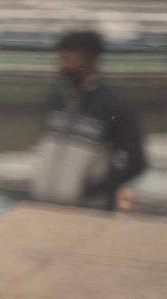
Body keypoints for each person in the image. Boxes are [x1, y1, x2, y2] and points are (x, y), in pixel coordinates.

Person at [30, 29, 148, 211]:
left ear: (90, 58)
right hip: (47, 206)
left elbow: (137, 162)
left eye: (70, 53)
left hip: (89, 209)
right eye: (62, 54)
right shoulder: (56, 98)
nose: (63, 60)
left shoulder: (113, 104)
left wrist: (97, 188)